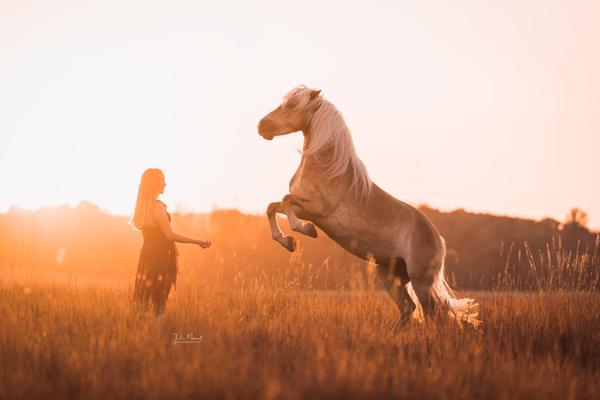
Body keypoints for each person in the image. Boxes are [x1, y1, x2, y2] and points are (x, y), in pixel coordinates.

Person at [131, 168, 211, 316]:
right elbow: (169, 235)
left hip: (146, 257)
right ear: (155, 183)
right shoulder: (158, 206)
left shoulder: (142, 208)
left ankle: (143, 331)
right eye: (163, 181)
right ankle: (158, 332)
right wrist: (197, 241)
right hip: (161, 258)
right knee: (159, 302)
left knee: (143, 300)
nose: (165, 184)